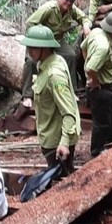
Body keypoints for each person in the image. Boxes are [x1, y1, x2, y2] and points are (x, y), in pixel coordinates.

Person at [20, 25, 81, 175]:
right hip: (49, 134)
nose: (29, 51)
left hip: (57, 141)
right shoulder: (48, 63)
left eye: (33, 47)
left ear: (45, 48)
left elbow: (68, 111)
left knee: (63, 181)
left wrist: (64, 142)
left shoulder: (54, 75)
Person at [21, 0, 92, 108]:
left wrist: (86, 25)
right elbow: (30, 23)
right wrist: (37, 38)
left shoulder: (71, 9)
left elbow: (84, 17)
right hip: (40, 40)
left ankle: (71, 91)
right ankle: (28, 95)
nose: (68, 3)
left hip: (56, 40)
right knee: (31, 61)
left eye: (71, 0)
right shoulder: (48, 9)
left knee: (71, 56)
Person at [81, 11, 112, 157]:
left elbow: (83, 47)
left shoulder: (95, 31)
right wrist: (94, 81)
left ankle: (111, 138)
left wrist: (88, 58)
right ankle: (97, 150)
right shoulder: (103, 47)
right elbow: (90, 68)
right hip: (100, 87)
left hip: (109, 83)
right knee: (102, 121)